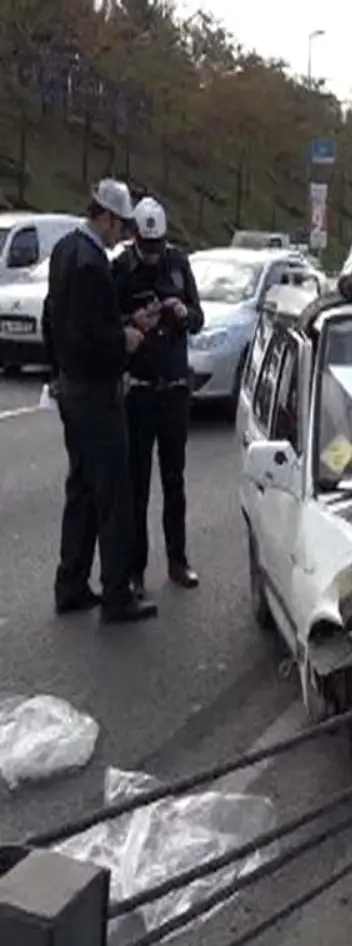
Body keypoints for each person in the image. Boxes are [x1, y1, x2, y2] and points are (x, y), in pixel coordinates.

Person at [50, 179, 158, 622]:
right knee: (114, 492)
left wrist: (122, 319)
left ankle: (71, 582)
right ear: (107, 218)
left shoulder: (64, 251)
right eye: (122, 225)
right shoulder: (93, 262)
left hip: (71, 387)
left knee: (80, 488)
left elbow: (59, 318)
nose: (125, 235)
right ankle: (117, 593)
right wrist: (127, 338)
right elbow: (93, 335)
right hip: (97, 391)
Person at [112, 197, 204, 598]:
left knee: (174, 482)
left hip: (174, 390)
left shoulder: (179, 264)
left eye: (158, 248)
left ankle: (178, 560)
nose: (152, 256)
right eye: (146, 248)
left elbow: (199, 318)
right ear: (135, 238)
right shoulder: (119, 270)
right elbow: (106, 322)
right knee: (136, 486)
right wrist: (134, 321)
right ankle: (135, 569)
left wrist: (183, 313)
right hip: (139, 391)